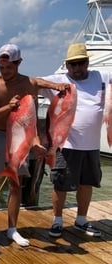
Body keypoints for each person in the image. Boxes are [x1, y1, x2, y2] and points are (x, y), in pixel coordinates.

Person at [0, 43, 66, 247]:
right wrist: (8, 107)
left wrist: (37, 142)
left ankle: (12, 229)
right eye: (1, 67)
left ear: (18, 63)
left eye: (9, 68)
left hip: (20, 137)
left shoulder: (28, 84)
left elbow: (31, 117)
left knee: (15, 184)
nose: (5, 72)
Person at [37, 43, 109, 238]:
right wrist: (54, 87)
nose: (77, 68)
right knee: (60, 183)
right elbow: (31, 82)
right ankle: (57, 221)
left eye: (81, 63)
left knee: (87, 183)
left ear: (87, 62)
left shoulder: (100, 76)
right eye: (73, 64)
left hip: (92, 145)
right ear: (67, 65)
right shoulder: (59, 79)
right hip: (65, 144)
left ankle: (81, 220)